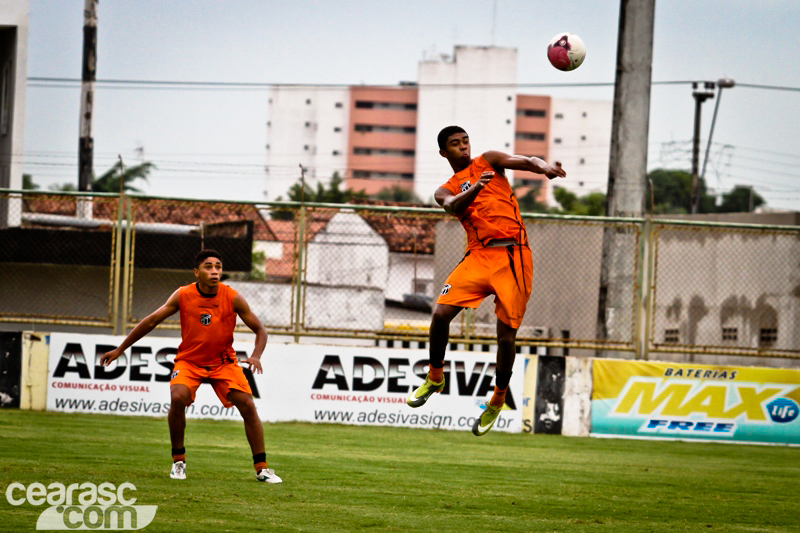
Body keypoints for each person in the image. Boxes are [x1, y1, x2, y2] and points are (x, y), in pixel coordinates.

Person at [407, 125, 566, 436]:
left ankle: (498, 398)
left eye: (465, 141)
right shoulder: (445, 188)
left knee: (506, 337)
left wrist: (544, 167)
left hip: (515, 255)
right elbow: (453, 205)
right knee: (440, 315)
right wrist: (475, 188)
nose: (463, 146)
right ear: (444, 152)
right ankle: (435, 376)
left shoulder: (489, 161)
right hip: (479, 255)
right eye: (455, 144)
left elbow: (525, 160)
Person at [100, 249, 282, 483]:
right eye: (208, 266)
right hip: (190, 361)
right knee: (178, 398)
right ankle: (179, 461)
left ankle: (263, 468)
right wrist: (120, 349)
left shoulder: (233, 297)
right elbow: (152, 320)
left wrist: (256, 355)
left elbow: (260, 329)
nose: (215, 271)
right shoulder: (183, 294)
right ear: (197, 272)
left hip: (223, 362)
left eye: (218, 266)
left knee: (247, 404)